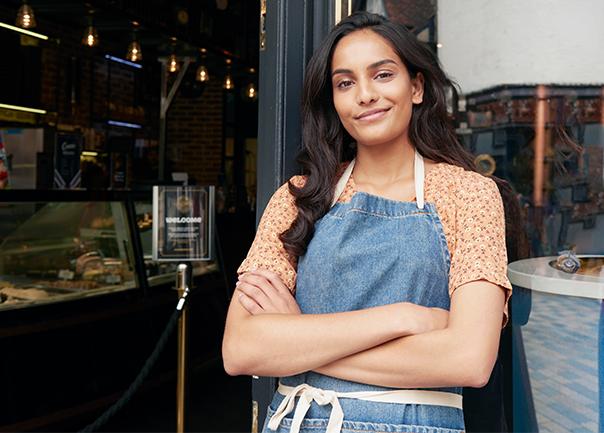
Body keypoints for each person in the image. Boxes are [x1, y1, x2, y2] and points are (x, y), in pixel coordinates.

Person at [222, 11, 512, 433]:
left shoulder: (469, 195)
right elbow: (241, 349)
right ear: (333, 101)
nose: (365, 94)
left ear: (416, 87)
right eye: (345, 83)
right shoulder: (298, 197)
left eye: (382, 75)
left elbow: (468, 359)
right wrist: (402, 317)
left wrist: (299, 338)